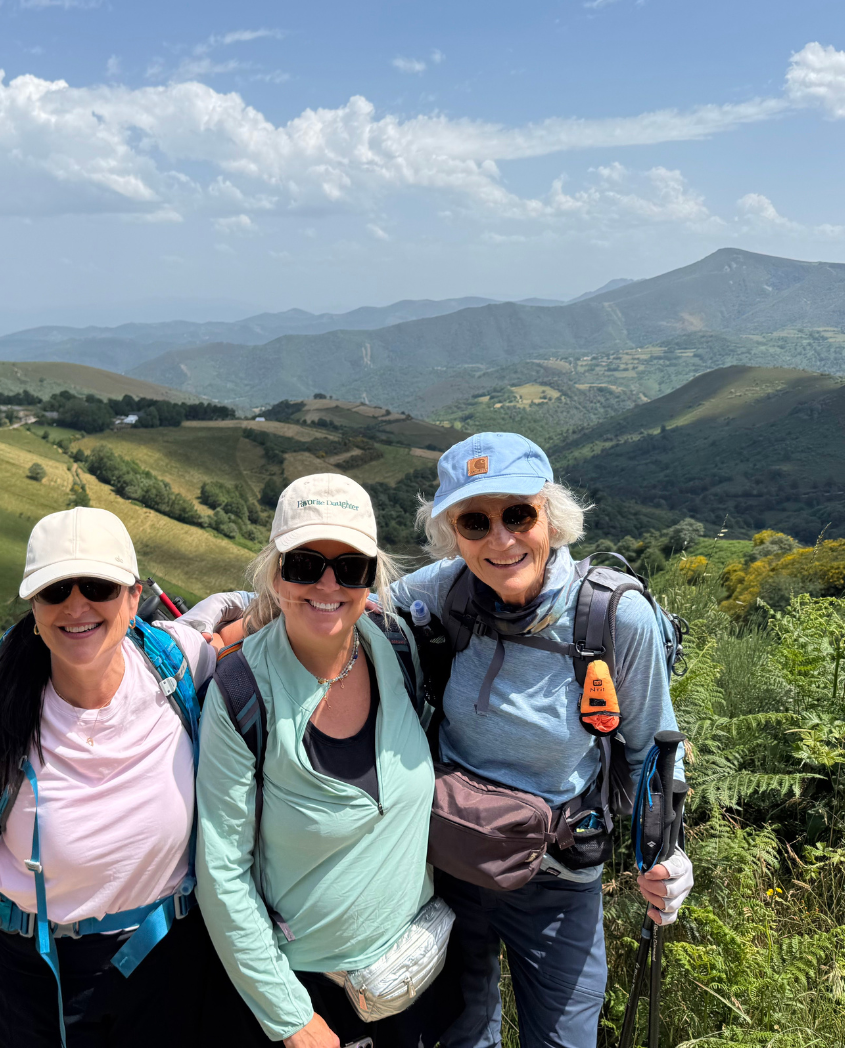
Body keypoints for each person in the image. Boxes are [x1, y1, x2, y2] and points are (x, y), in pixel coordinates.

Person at [188, 436, 693, 1048]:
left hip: (560, 878)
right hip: (453, 867)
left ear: (551, 517)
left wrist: (664, 852)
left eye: (518, 515)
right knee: (465, 1037)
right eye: (475, 521)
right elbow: (332, 597)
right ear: (452, 533)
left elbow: (652, 751)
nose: (500, 539)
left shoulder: (614, 618)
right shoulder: (444, 591)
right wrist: (218, 628)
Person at [0, 506, 246, 1048]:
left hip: (170, 960)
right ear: (34, 608)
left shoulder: (176, 666)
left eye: (98, 586)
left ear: (133, 599)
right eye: (55, 590)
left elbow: (240, 630)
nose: (76, 604)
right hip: (41, 977)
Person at [196, 473, 462, 1048]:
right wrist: (291, 1017)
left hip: (416, 968)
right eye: (304, 563)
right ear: (274, 572)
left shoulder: (396, 648)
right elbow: (221, 872)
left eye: (350, 568)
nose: (327, 583)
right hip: (310, 998)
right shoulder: (243, 692)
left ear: (373, 577)